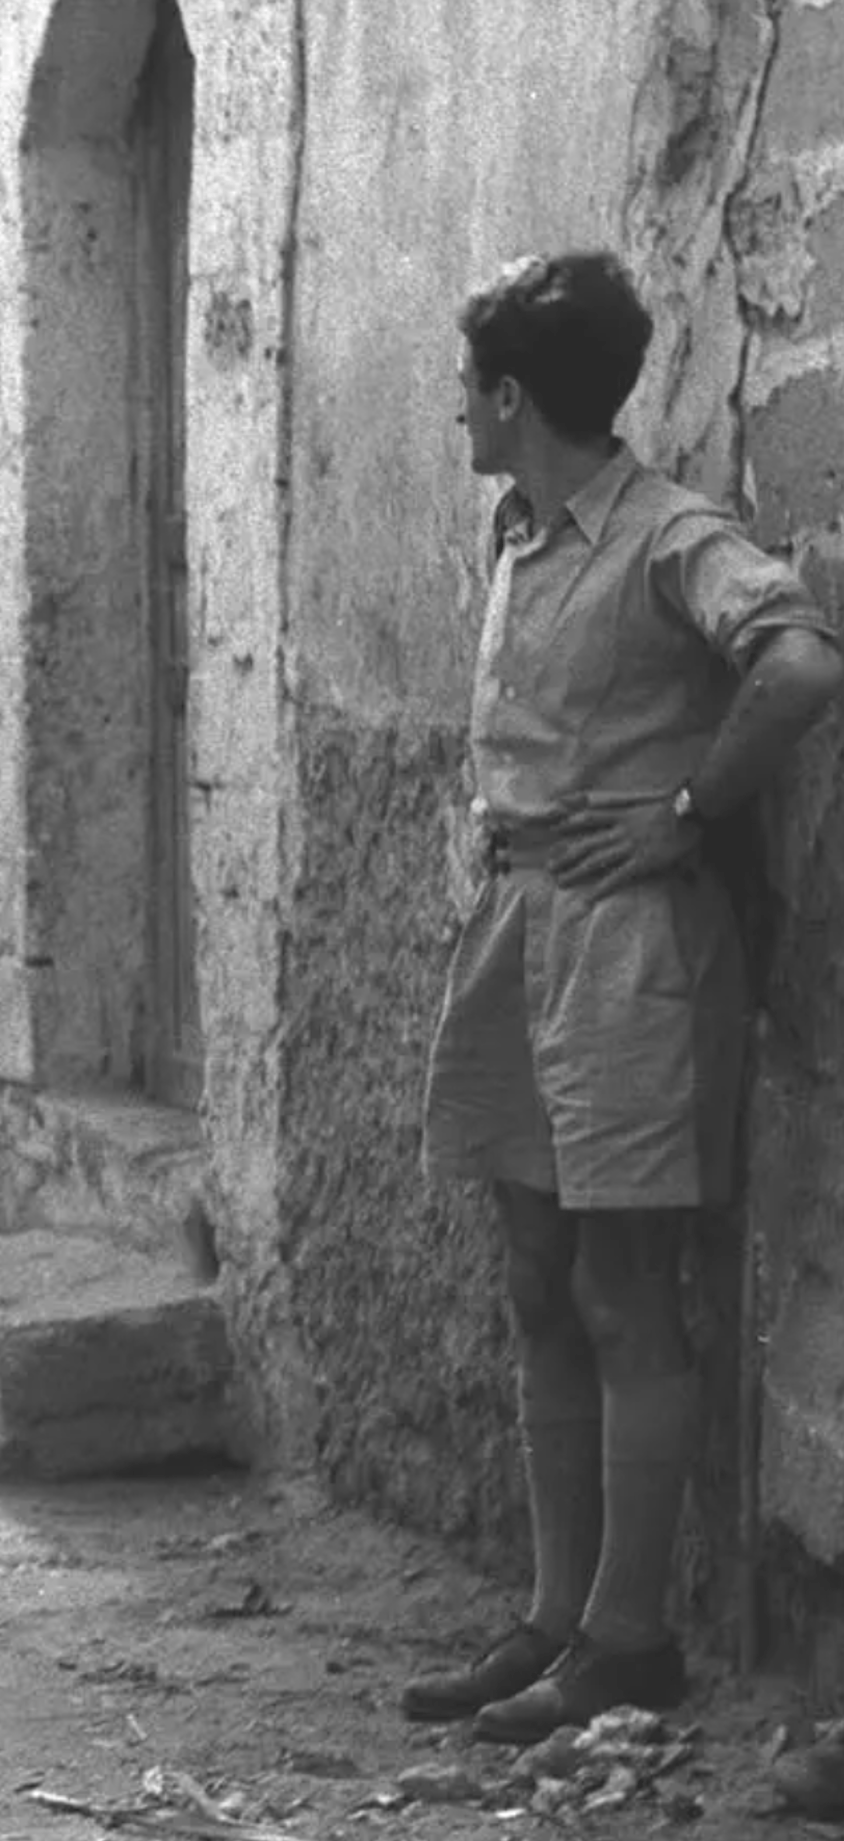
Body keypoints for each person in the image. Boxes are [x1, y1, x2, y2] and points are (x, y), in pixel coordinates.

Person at [406, 252, 840, 1746]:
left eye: (467, 387)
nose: (455, 410)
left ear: (512, 396)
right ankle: (554, 1616)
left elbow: (796, 661)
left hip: (634, 950)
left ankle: (632, 1639)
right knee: (538, 1280)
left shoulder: (669, 533)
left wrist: (687, 810)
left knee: (621, 1292)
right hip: (521, 926)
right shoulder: (519, 534)